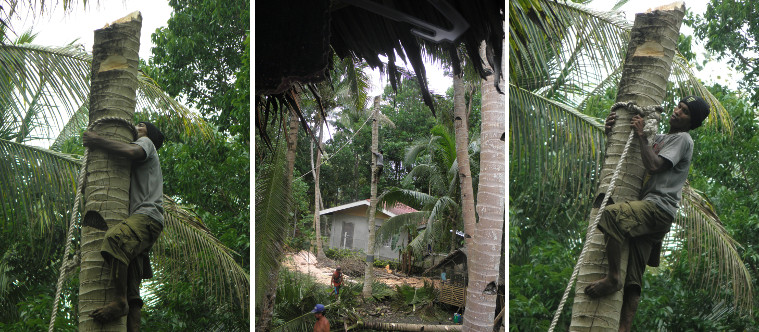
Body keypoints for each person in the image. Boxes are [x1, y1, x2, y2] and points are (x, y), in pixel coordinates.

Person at [584, 96, 710, 332]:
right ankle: (625, 328)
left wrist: (642, 136)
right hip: (653, 212)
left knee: (611, 216)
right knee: (634, 278)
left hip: (657, 208)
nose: (677, 112)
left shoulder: (683, 139)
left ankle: (612, 277)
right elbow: (636, 157)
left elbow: (653, 165)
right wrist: (613, 131)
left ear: (692, 122)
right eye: (678, 107)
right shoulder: (663, 139)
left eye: (684, 112)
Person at [83, 121, 165, 331]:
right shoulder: (143, 162)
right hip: (146, 221)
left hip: (146, 217)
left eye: (140, 125)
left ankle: (120, 302)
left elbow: (131, 151)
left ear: (149, 133)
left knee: (115, 239)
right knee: (133, 287)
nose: (136, 128)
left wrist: (97, 141)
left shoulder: (146, 143)